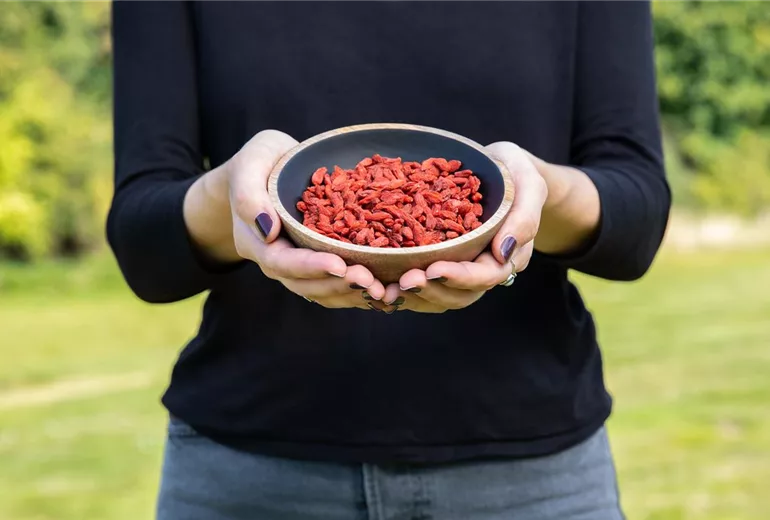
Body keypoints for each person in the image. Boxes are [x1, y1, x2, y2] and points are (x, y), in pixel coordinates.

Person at [108, 1, 670, 518]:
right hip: (249, 477)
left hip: (533, 482)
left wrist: (534, 195)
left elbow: (637, 218)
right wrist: (232, 196)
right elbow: (142, 243)